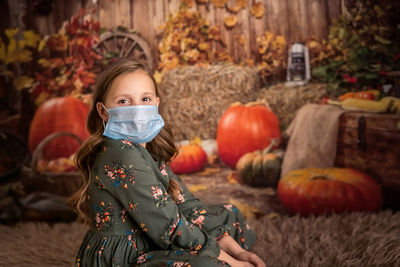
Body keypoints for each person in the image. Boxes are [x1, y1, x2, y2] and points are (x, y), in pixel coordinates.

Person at [69, 58, 266, 267]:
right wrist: (232, 263)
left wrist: (234, 250)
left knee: (228, 213)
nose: (137, 109)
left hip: (152, 238)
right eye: (123, 102)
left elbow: (185, 202)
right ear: (103, 112)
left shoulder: (144, 149)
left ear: (156, 103)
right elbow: (170, 226)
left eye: (145, 99)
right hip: (127, 257)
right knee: (202, 262)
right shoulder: (120, 156)